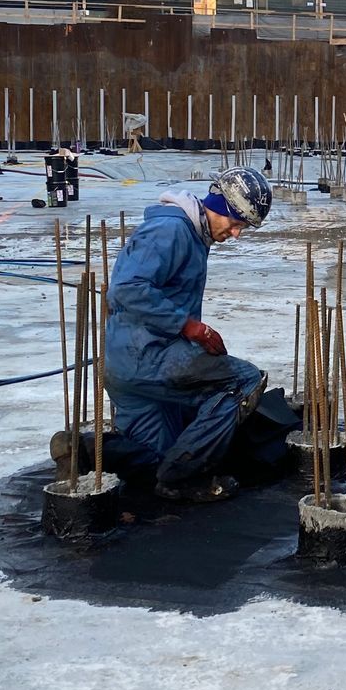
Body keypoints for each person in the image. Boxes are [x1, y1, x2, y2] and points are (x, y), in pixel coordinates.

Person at [102, 167, 274, 500]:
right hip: (148, 357)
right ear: (220, 206)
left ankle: (81, 450)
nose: (236, 234)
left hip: (124, 365)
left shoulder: (192, 234)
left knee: (153, 464)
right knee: (244, 380)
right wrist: (190, 327)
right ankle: (184, 479)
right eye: (236, 223)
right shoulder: (172, 231)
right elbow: (126, 289)